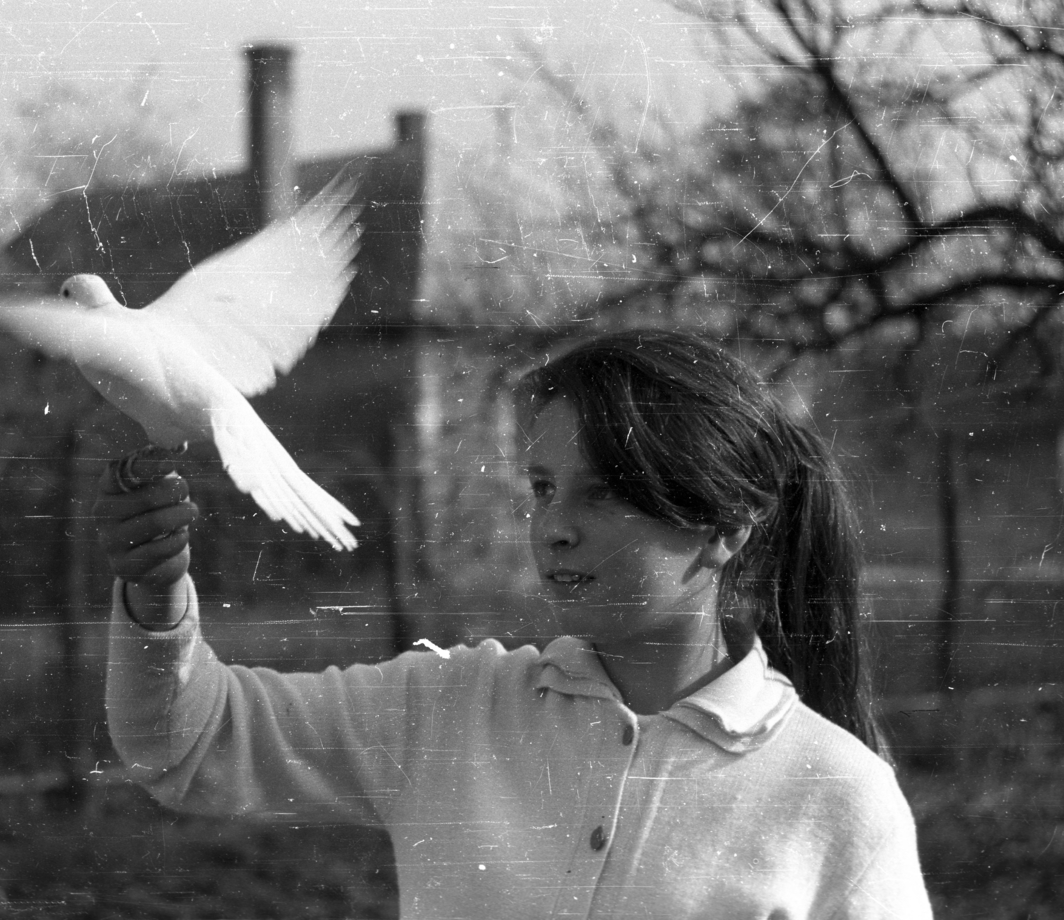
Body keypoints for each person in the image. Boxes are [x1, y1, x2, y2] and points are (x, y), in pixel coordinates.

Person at [98, 329, 933, 919]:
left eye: (600, 493)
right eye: (541, 488)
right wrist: (157, 593)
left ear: (724, 527)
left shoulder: (840, 800)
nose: (552, 527)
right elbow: (186, 743)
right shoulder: (450, 710)